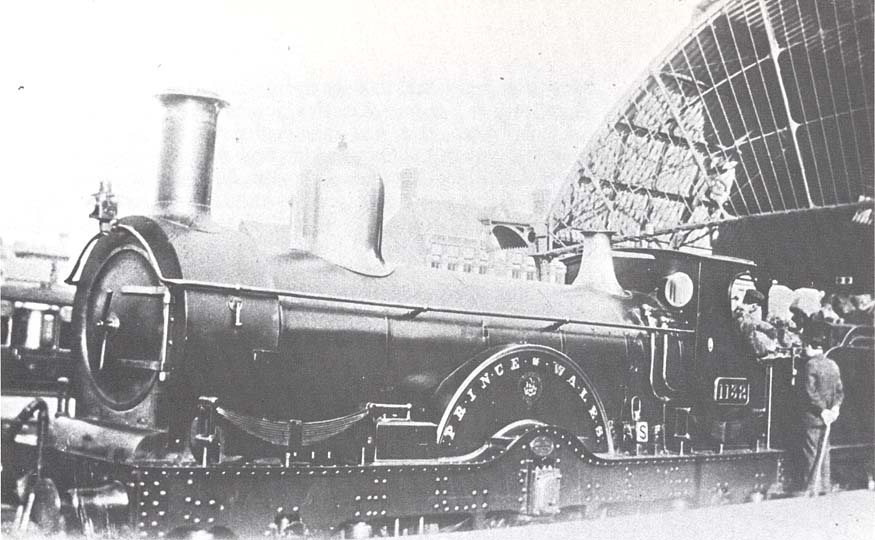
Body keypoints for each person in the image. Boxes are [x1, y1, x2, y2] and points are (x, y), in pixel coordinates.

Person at [799, 320, 844, 494]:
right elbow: (840, 391)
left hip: (813, 417)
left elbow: (810, 393)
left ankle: (811, 489)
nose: (804, 349)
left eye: (805, 346)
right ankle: (824, 487)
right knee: (825, 452)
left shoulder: (810, 365)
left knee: (810, 452)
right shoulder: (833, 365)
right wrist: (835, 409)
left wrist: (822, 410)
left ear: (811, 346)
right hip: (828, 419)